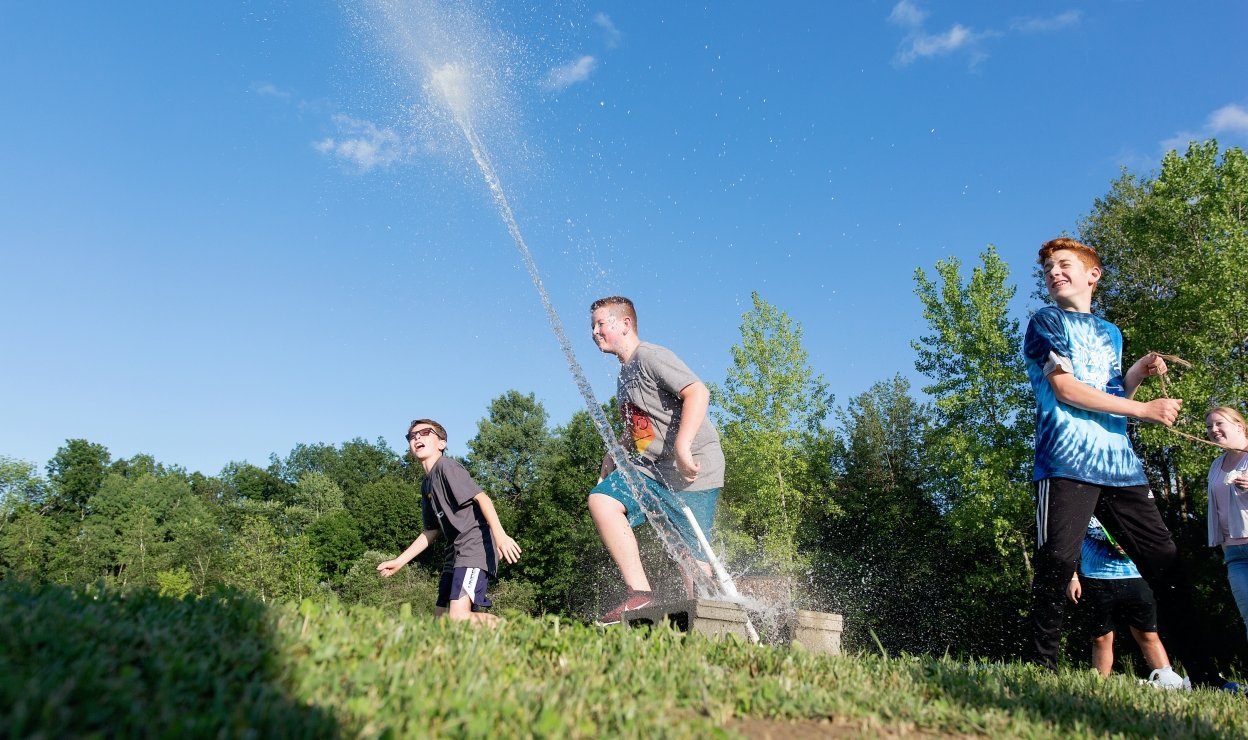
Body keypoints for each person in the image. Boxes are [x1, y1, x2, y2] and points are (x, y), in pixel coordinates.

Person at [1023, 237, 1212, 682]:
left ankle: (1205, 673)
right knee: (1056, 562)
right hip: (1066, 460)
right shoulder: (1044, 321)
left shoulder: (1111, 333)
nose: (1053, 272)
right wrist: (1145, 410)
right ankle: (1040, 670)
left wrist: (1136, 375)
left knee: (1166, 563)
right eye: (1048, 268)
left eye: (1064, 264)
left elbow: (1110, 396)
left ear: (1093, 274)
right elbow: (1067, 390)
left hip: (1119, 464)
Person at [587, 296, 726, 625]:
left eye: (600, 323)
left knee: (689, 556)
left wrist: (682, 446)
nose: (594, 331)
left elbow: (697, 392)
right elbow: (643, 431)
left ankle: (709, 620)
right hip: (653, 471)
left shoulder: (650, 356)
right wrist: (614, 453)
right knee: (602, 500)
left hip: (695, 468)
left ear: (625, 324)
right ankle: (640, 596)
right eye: (592, 325)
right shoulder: (624, 375)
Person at [377, 419, 521, 625]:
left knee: (458, 618)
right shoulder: (427, 484)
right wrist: (399, 562)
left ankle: (513, 630)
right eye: (412, 435)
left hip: (473, 548)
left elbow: (482, 498)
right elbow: (431, 531)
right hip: (454, 555)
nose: (417, 437)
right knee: (441, 621)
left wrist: (501, 536)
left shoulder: (446, 467)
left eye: (425, 432)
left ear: (442, 443)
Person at [1068, 516, 1188, 689]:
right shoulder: (1084, 502)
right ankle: (1097, 688)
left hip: (1136, 577)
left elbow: (1152, 536)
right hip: (1095, 580)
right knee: (1101, 638)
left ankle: (1169, 682)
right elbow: (1069, 540)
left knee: (1148, 634)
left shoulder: (1127, 501)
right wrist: (1072, 577)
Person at [1204, 406, 1248, 641]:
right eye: (1210, 426)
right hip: (1234, 555)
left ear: (1239, 426)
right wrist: (1225, 547)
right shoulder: (1216, 465)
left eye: (1219, 423)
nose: (1214, 430)